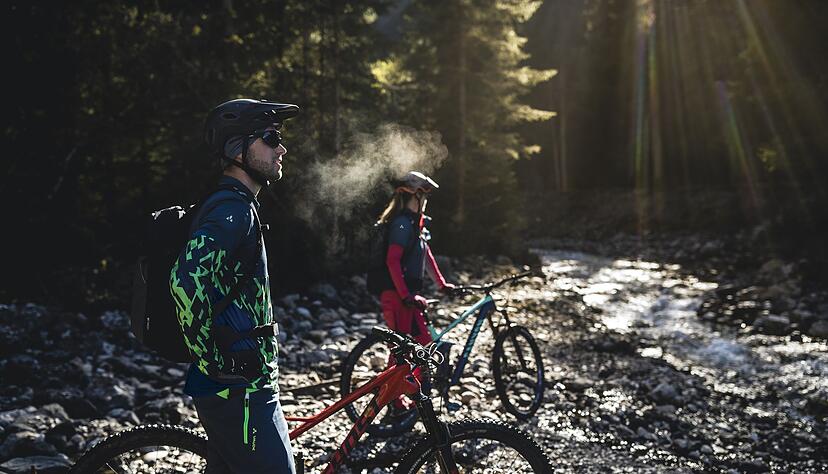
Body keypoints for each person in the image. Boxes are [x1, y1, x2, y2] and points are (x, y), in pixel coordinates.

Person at [170, 98, 299, 474]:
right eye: (271, 138)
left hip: (243, 383)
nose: (281, 148)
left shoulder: (240, 205)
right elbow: (184, 280)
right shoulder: (233, 210)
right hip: (239, 389)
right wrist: (213, 362)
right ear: (236, 147)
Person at [377, 171, 455, 410]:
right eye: (425, 195)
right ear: (416, 195)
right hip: (398, 297)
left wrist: (442, 284)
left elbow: (426, 256)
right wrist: (405, 295)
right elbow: (392, 261)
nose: (427, 200)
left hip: (409, 299)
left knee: (423, 345)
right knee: (402, 351)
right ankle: (393, 401)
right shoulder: (401, 224)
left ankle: (409, 396)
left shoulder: (415, 224)